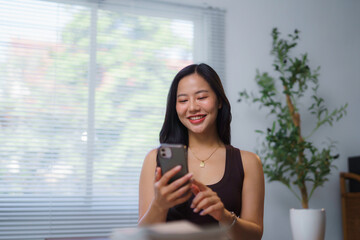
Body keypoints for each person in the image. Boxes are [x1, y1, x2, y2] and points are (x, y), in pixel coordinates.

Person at [138, 63, 264, 240]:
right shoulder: (154, 160)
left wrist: (224, 216)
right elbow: (141, 236)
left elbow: (255, 236)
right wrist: (159, 205)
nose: (192, 107)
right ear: (175, 107)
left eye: (202, 97)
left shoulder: (249, 162)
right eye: (183, 100)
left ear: (219, 101)